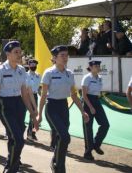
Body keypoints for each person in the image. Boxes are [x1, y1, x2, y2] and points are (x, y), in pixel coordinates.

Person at [36, 45, 89, 173]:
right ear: (55, 58)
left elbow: (74, 95)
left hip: (64, 107)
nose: (65, 58)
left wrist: (83, 111)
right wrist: (39, 114)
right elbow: (43, 95)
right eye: (62, 55)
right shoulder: (48, 73)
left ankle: (56, 161)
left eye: (66, 55)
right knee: (65, 136)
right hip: (52, 106)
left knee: (63, 137)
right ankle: (60, 167)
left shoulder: (69, 74)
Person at [0, 41, 37, 173]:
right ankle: (10, 168)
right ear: (8, 54)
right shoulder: (0, 71)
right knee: (18, 139)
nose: (19, 54)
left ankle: (13, 166)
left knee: (14, 138)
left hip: (19, 105)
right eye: (16, 52)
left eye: (20, 51)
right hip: (5, 105)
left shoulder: (22, 70)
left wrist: (32, 113)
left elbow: (24, 94)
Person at [81, 60, 110, 160]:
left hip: (96, 101)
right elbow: (83, 95)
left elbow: (98, 92)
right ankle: (87, 152)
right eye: (96, 66)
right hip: (87, 101)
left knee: (105, 124)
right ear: (91, 67)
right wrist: (91, 107)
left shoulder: (100, 78)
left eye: (98, 66)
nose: (98, 67)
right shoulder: (87, 78)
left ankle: (96, 144)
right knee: (88, 128)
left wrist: (96, 104)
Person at [26, 59, 40, 141]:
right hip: (26, 95)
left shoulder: (38, 75)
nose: (33, 67)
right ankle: (25, 133)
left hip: (34, 95)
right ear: (28, 66)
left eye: (34, 65)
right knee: (25, 114)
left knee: (34, 115)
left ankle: (31, 133)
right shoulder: (26, 75)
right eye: (31, 65)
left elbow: (39, 88)